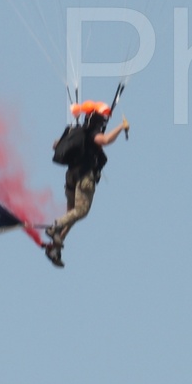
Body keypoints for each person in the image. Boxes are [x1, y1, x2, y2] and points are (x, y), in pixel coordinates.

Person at [43, 101, 128, 268]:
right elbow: (105, 140)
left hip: (70, 177)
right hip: (84, 179)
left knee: (72, 215)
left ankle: (54, 248)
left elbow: (56, 145)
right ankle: (55, 227)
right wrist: (121, 126)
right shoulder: (92, 133)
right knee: (81, 211)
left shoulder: (76, 132)